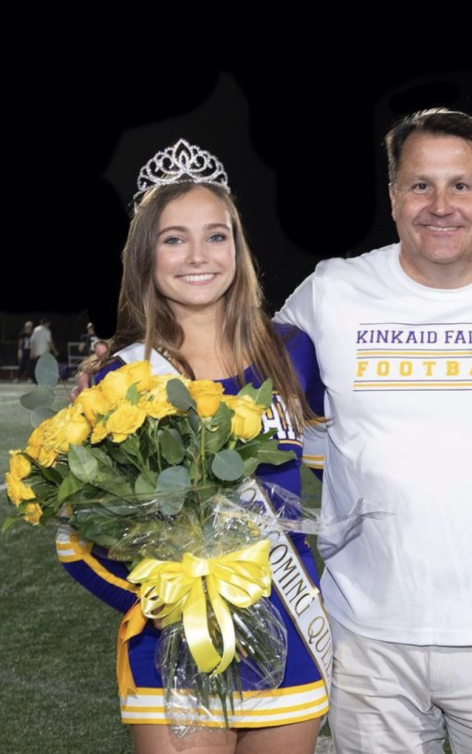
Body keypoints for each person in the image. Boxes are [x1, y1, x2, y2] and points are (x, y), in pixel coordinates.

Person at [276, 108, 472, 753]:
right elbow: (245, 375)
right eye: (420, 185)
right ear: (392, 196)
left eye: (461, 185)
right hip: (368, 635)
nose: (441, 205)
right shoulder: (334, 290)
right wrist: (128, 363)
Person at [57, 140, 329, 754]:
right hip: (172, 641)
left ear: (239, 246)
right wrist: (161, 598)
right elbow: (79, 533)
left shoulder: (295, 352)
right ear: (144, 254)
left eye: (217, 235)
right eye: (174, 238)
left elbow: (350, 466)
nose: (199, 256)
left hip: (291, 626)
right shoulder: (121, 377)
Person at [29, 317, 58, 382]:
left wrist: (32, 351)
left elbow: (32, 341)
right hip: (44, 352)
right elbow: (50, 342)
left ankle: (36, 379)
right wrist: (55, 351)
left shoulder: (35, 329)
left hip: (37, 352)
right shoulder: (47, 331)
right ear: (47, 323)